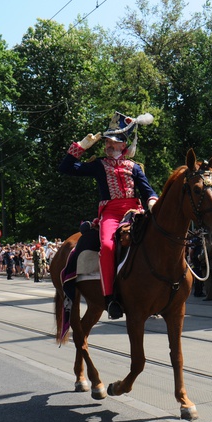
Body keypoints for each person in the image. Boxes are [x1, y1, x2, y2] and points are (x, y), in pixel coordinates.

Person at [58, 111, 158, 319]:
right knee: (108, 246)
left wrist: (152, 202)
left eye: (113, 143)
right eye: (107, 143)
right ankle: (110, 298)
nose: (108, 146)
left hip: (134, 211)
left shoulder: (135, 167)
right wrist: (81, 146)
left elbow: (147, 190)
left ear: (123, 145)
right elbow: (66, 168)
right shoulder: (98, 165)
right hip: (111, 214)